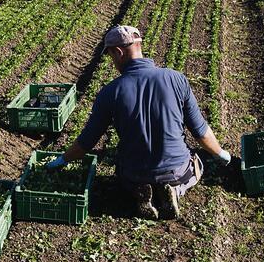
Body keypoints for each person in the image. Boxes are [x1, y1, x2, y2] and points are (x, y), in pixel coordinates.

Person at [46, 25, 231, 220]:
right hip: (176, 171)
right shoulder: (177, 79)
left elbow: (87, 141)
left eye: (110, 56)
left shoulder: (110, 92)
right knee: (196, 164)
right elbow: (200, 131)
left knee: (126, 171)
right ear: (139, 45)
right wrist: (221, 154)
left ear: (118, 52)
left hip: (133, 174)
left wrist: (61, 160)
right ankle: (175, 190)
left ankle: (139, 192)